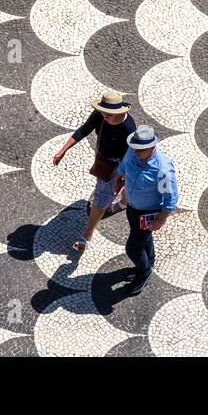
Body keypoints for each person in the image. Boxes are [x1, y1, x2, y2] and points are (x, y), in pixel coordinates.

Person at [51, 89, 136, 252]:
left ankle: (87, 235)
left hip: (118, 165)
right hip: (103, 160)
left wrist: (121, 176)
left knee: (100, 200)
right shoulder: (100, 114)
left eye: (108, 113)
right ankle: (124, 202)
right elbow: (83, 130)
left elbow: (130, 156)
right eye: (103, 111)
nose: (104, 115)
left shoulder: (128, 128)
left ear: (119, 112)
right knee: (118, 189)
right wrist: (63, 150)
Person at [112, 125, 178, 296]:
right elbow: (123, 166)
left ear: (152, 147)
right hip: (132, 207)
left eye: (141, 150)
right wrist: (119, 179)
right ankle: (149, 261)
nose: (135, 153)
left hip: (148, 213)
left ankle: (144, 271)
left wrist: (160, 220)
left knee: (132, 248)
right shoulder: (133, 151)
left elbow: (170, 198)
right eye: (134, 148)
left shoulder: (162, 169)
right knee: (142, 237)